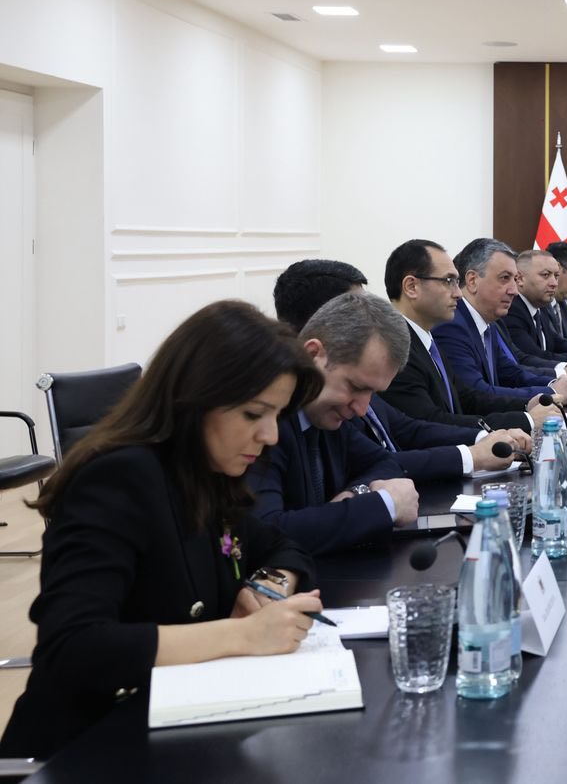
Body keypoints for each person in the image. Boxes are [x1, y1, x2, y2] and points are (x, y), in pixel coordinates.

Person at [0, 301, 326, 759]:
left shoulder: (205, 471)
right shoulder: (119, 477)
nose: (270, 435)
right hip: (84, 750)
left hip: (174, 731)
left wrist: (267, 587)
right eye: (254, 414)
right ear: (196, 398)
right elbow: (72, 646)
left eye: (277, 415)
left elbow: (280, 545)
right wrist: (245, 635)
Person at [273, 257, 530, 479]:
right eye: (353, 309)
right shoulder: (284, 412)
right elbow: (375, 463)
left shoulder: (358, 375)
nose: (458, 293)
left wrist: (482, 441)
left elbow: (404, 431)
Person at [248, 291, 422, 554]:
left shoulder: (328, 412)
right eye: (356, 387)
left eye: (372, 394)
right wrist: (384, 505)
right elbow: (267, 533)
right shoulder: (267, 422)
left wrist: (356, 494)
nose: (362, 409)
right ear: (313, 354)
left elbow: (386, 462)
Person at [380, 238, 562, 432]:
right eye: (448, 281)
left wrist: (527, 405)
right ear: (411, 287)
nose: (458, 293)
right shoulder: (395, 347)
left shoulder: (426, 338)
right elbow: (429, 423)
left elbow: (467, 398)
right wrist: (526, 419)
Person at [434, 238, 567, 403]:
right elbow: (476, 394)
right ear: (472, 281)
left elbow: (509, 372)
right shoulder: (452, 326)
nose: (514, 291)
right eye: (505, 278)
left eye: (514, 279)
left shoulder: (488, 321)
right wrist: (550, 392)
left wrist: (553, 384)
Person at [502, 248, 567, 369]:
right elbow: (533, 357)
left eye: (556, 276)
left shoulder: (540, 304)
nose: (554, 283)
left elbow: (556, 342)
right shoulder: (511, 310)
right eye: (545, 275)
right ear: (520, 279)